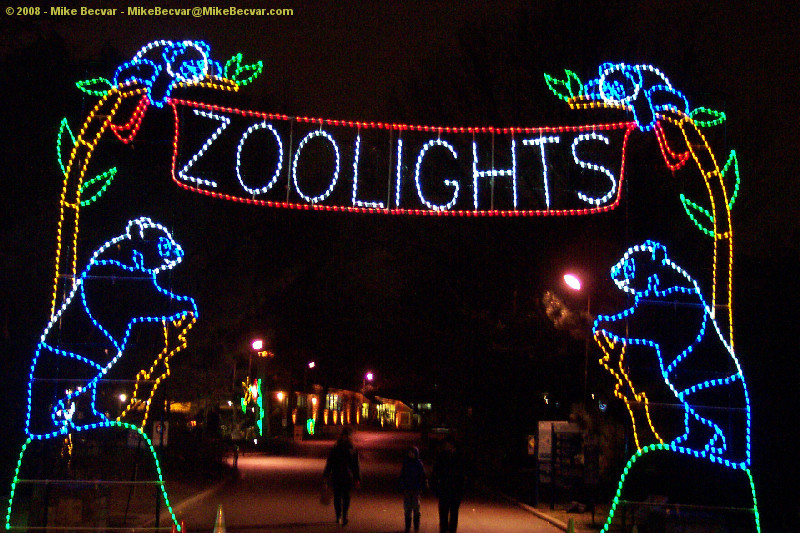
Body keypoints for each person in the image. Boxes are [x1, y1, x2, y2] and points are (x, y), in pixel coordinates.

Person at [323, 427, 361, 525]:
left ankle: (340, 516)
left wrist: (326, 476)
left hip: (338, 475)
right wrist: (357, 478)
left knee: (340, 497)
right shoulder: (351, 449)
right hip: (345, 476)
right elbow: (355, 465)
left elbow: (330, 463)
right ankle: (342, 516)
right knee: (344, 497)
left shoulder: (337, 447)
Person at [430, 435, 466, 533]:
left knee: (452, 513)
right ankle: (445, 530)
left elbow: (463, 475)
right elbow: (435, 474)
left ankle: (449, 530)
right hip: (446, 489)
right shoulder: (443, 457)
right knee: (445, 514)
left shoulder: (458, 457)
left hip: (453, 489)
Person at [398, 446, 427, 533]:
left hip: (415, 489)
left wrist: (423, 486)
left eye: (412, 453)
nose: (410, 454)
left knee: (416, 508)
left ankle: (416, 527)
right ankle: (407, 526)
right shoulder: (406, 463)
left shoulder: (418, 464)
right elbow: (402, 475)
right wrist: (401, 486)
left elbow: (422, 476)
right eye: (409, 453)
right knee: (407, 508)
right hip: (407, 489)